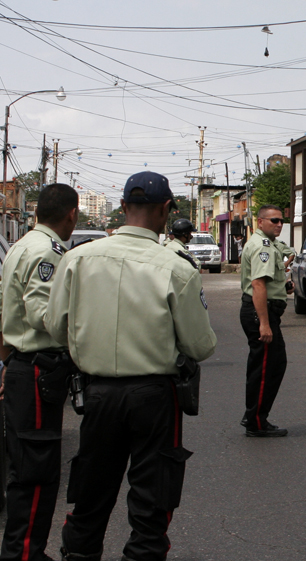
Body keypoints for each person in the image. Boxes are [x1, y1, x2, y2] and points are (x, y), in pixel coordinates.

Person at [46, 171, 217, 561]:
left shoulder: (77, 259)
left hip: (98, 394)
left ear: (123, 207)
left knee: (90, 497)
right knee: (151, 503)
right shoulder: (177, 266)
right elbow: (200, 344)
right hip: (155, 398)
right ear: (166, 210)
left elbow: (55, 328)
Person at [0, 183, 78, 561]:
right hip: (36, 369)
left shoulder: (21, 245)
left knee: (26, 468)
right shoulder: (48, 251)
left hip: (22, 366)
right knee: (37, 472)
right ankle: (25, 553)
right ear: (71, 215)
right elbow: (41, 315)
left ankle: (24, 549)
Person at [239, 205, 294, 437]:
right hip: (261, 313)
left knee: (274, 364)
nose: (279, 224)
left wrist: (283, 286)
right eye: (274, 220)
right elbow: (258, 285)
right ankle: (256, 422)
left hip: (265, 311)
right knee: (264, 369)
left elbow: (270, 281)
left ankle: (254, 414)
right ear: (260, 222)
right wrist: (264, 323)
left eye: (281, 220)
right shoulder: (263, 247)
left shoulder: (268, 245)